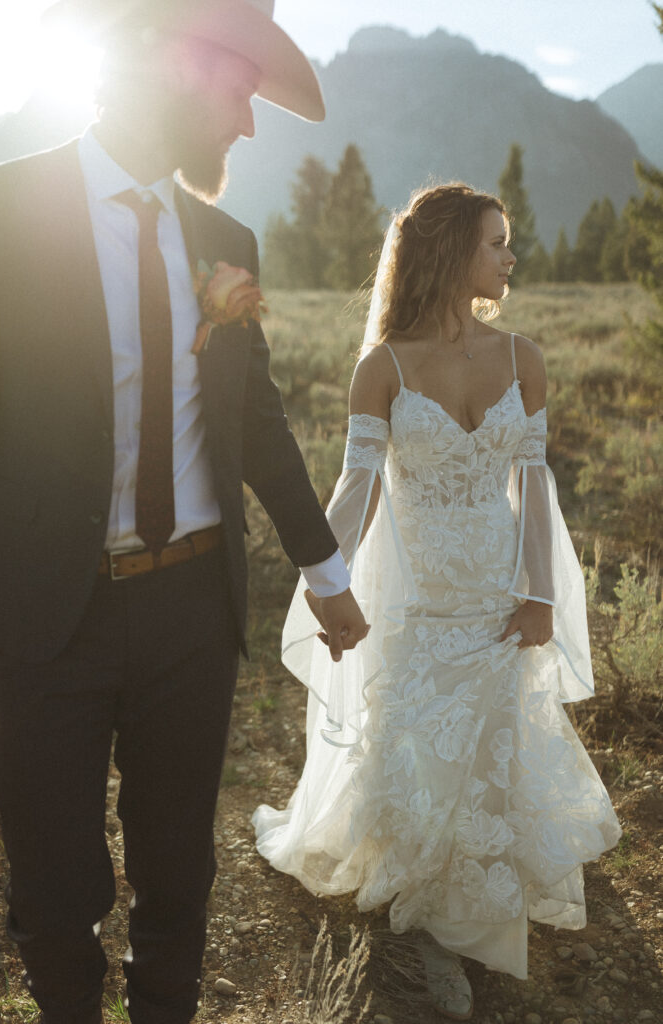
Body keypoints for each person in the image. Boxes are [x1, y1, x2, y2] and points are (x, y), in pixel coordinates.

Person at [0, 1, 370, 1022]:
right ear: (176, 65)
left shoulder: (225, 238)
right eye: (238, 91)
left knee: (178, 873)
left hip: (190, 617)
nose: (248, 126)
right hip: (47, 617)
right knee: (53, 881)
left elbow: (255, 423)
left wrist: (328, 572)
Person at [253, 184, 621, 1020]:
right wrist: (328, 578)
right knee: (416, 752)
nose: (508, 256)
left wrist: (538, 595)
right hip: (418, 602)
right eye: (496, 243)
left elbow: (533, 487)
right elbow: (358, 488)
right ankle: (428, 927)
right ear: (454, 253)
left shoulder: (521, 355)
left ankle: (465, 916)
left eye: (508, 242)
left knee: (492, 750)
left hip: (497, 594)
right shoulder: (381, 367)